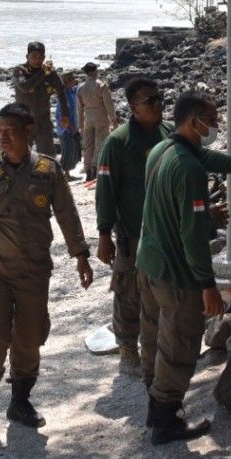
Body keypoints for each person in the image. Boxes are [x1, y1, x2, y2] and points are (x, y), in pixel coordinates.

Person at [0, 102, 94, 431]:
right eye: (0, 131)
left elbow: (68, 214)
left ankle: (20, 402)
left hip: (35, 272)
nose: (4, 137)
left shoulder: (48, 170)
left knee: (29, 338)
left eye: (10, 131)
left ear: (28, 132)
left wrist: (81, 254)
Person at [137, 91, 231, 444]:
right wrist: (207, 285)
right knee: (180, 343)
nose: (213, 126)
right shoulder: (188, 168)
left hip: (148, 263)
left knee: (158, 338)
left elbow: (206, 156)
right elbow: (193, 236)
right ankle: (166, 423)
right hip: (173, 271)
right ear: (193, 120)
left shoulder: (162, 150)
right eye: (210, 120)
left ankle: (156, 409)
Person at [93, 77, 166, 377]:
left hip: (166, 230)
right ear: (134, 108)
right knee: (128, 289)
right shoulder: (118, 142)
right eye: (150, 101)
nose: (158, 104)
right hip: (132, 231)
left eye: (159, 97)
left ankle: (158, 343)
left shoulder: (169, 134)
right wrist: (103, 233)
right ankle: (127, 348)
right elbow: (105, 190)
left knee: (162, 287)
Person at [12, 42, 59, 156]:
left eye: (40, 57)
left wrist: (65, 115)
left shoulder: (49, 73)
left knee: (48, 157)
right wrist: (42, 72)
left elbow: (61, 90)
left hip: (43, 121)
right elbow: (25, 86)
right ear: (27, 56)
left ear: (44, 58)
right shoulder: (20, 71)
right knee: (20, 155)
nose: (37, 60)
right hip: (24, 122)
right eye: (34, 57)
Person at [78, 62, 118, 176]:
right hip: (100, 115)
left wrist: (80, 125)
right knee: (100, 143)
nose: (98, 72)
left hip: (88, 116)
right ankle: (96, 167)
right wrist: (114, 120)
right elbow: (108, 104)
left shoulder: (80, 88)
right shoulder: (101, 85)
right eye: (97, 70)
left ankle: (87, 169)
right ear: (92, 72)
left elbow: (79, 109)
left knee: (88, 144)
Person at [57, 71, 81, 172]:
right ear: (69, 81)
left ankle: (67, 173)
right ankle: (65, 174)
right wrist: (72, 127)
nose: (75, 80)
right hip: (66, 127)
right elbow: (65, 114)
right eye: (73, 78)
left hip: (71, 125)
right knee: (68, 151)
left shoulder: (71, 91)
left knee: (71, 150)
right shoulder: (65, 95)